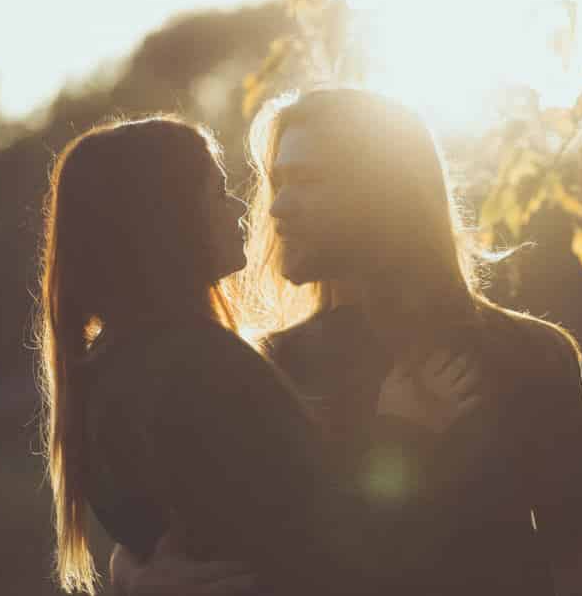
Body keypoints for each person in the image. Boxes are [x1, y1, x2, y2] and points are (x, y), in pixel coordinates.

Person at [115, 89, 582, 595]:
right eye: (278, 182)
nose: (278, 207)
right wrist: (135, 579)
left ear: (384, 195)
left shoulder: (529, 355)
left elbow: (576, 548)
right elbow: (177, 530)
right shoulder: (261, 368)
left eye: (308, 181)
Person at [35, 116, 480, 596]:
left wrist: (130, 574)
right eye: (219, 194)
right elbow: (334, 554)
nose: (245, 209)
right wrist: (403, 429)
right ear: (171, 221)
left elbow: (206, 532)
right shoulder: (205, 370)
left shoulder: (104, 365)